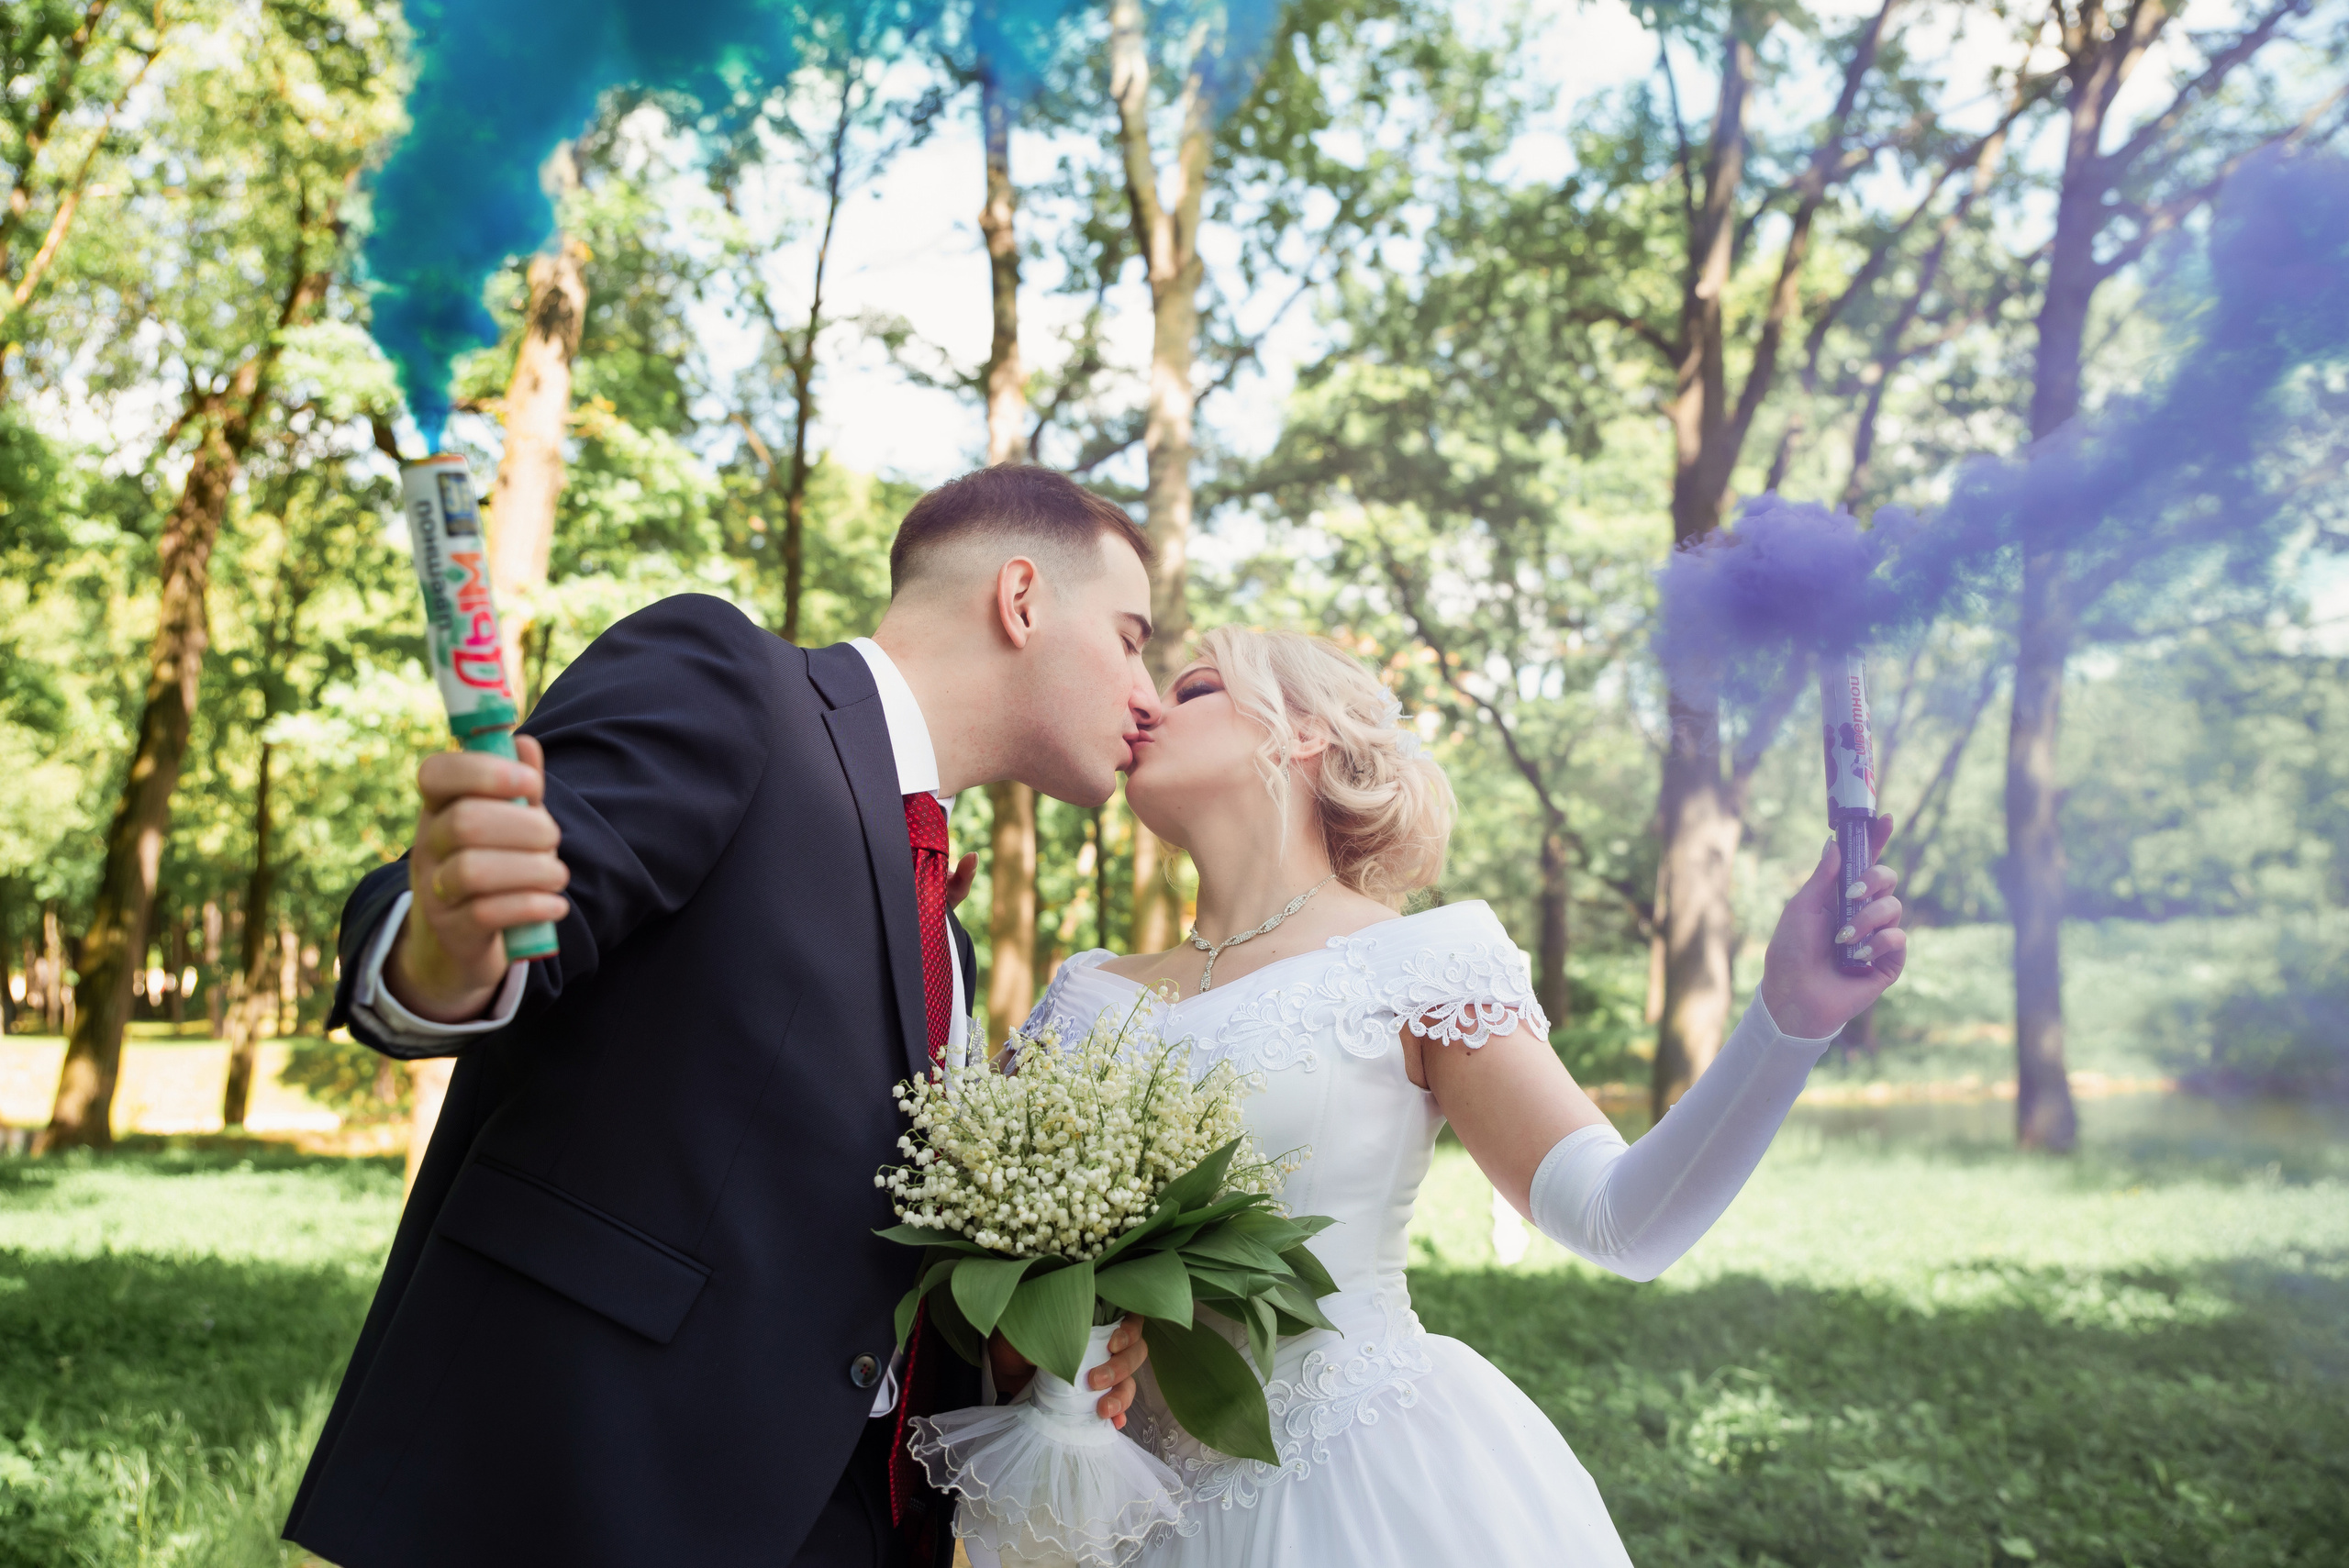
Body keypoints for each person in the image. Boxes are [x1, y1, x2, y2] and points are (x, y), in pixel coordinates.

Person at [284, 467, 1165, 1568]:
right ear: (1022, 597)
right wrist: (445, 941)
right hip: (589, 1487)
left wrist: (1008, 1359)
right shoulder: (732, 681)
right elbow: (511, 898)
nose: (1150, 695)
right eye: (1130, 639)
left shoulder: (946, 934)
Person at [1020, 627, 1909, 1565]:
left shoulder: (1420, 964)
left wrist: (1787, 1016)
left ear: (1305, 733)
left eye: (1194, 686)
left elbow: (1623, 1221)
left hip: (1355, 1493)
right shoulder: (1078, 995)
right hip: (1109, 1510)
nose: (1149, 705)